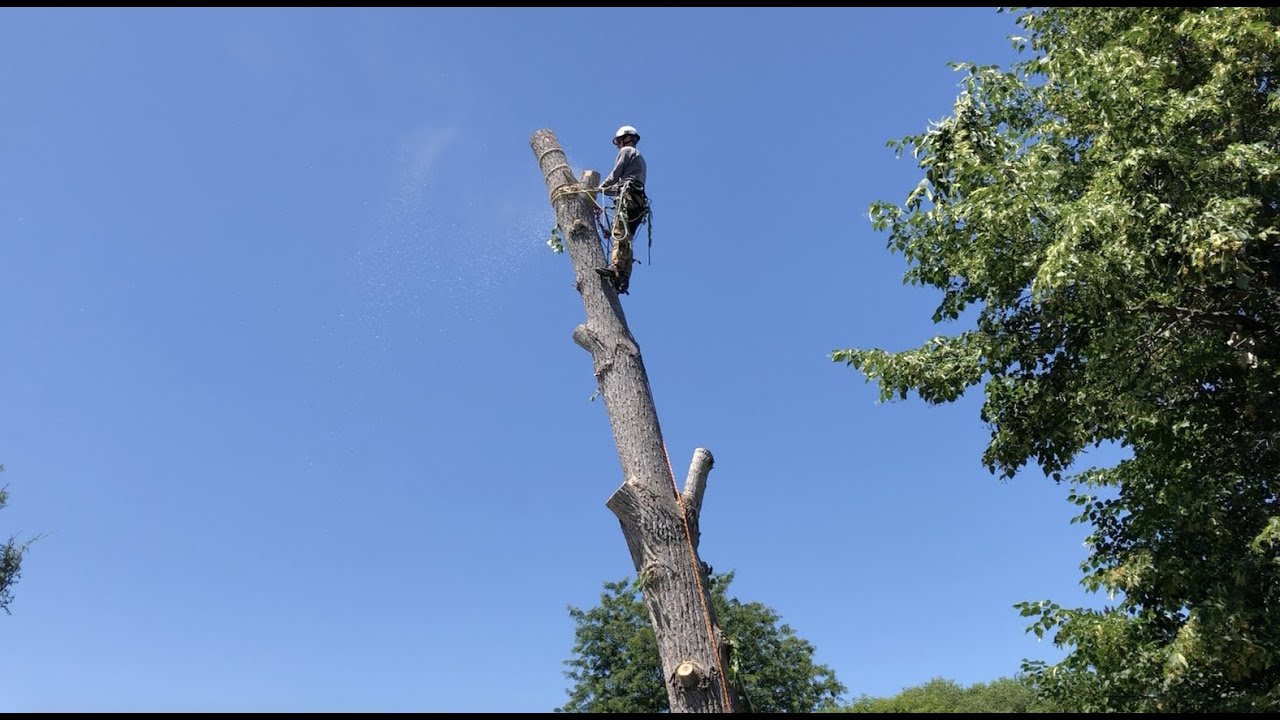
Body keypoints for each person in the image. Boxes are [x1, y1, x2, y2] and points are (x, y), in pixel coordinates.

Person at [595, 125, 648, 294]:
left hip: (628, 199)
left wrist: (598, 188)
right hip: (638, 203)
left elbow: (615, 175)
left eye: (618, 141)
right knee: (627, 238)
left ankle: (616, 267)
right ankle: (624, 277)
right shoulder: (640, 159)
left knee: (619, 233)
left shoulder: (626, 151)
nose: (618, 145)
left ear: (625, 139)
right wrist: (605, 190)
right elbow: (619, 185)